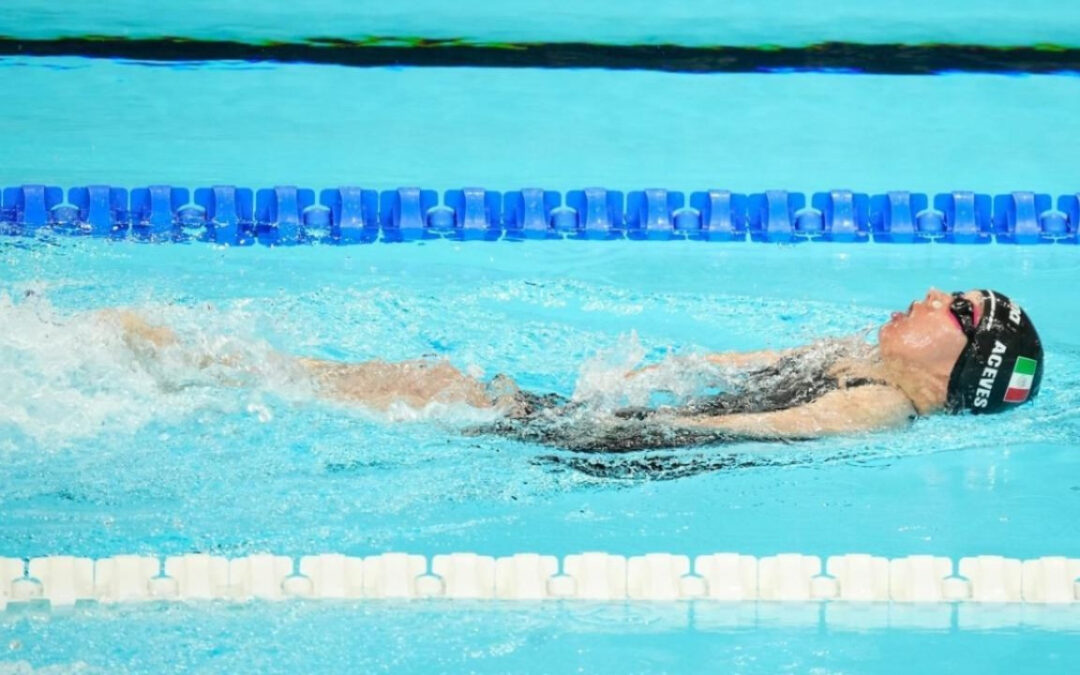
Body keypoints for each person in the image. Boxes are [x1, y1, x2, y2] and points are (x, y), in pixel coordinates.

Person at [102, 288, 1043, 453]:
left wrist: (614, 424)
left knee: (453, 394)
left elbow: (749, 429)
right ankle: (216, 368)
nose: (930, 294)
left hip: (623, 450)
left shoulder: (877, 410)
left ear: (967, 361)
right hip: (624, 424)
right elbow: (709, 370)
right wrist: (642, 384)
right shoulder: (850, 357)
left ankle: (213, 371)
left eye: (956, 309)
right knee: (446, 385)